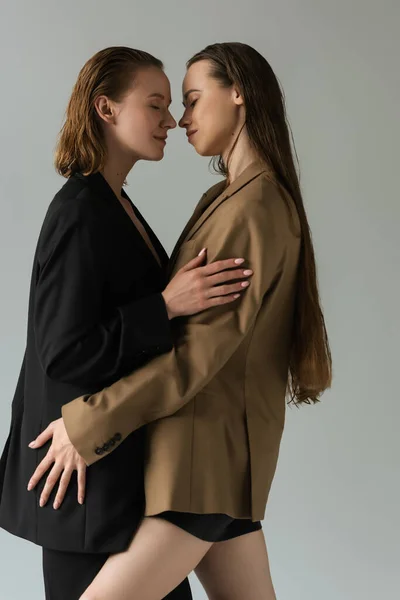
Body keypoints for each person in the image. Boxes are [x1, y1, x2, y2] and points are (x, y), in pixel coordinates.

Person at [28, 42, 332, 600]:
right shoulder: (229, 197)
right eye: (171, 105)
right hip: (212, 464)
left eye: (192, 101)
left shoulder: (253, 206)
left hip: (199, 466)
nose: (181, 119)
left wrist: (87, 424)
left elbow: (194, 355)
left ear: (238, 93)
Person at [0, 46, 254, 600]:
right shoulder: (80, 211)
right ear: (106, 109)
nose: (171, 120)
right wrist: (164, 306)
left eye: (173, 106)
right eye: (157, 104)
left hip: (111, 478)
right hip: (79, 489)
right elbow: (62, 352)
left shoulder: (115, 204)